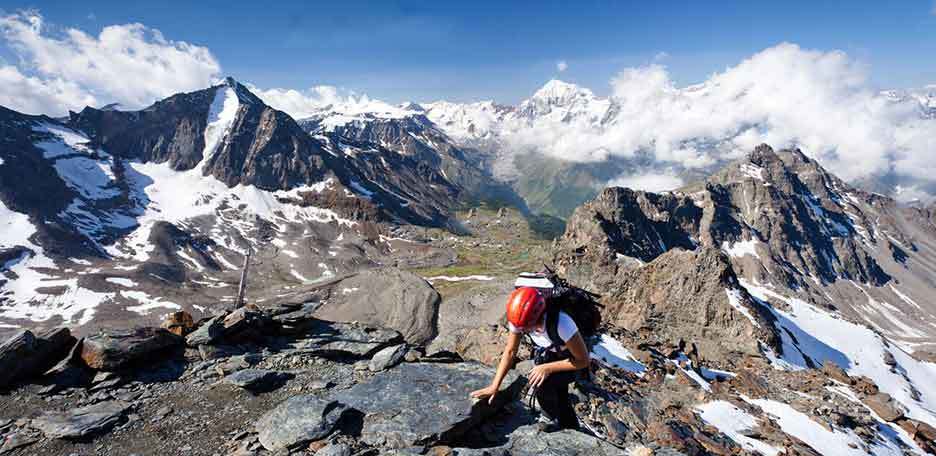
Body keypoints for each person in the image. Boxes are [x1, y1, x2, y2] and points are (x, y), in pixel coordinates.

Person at [470, 286, 590, 432]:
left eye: (526, 328)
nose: (522, 331)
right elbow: (510, 352)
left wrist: (547, 368)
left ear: (539, 317)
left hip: (572, 359)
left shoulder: (562, 323)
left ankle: (549, 419)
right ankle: (572, 427)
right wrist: (494, 386)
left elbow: (583, 360)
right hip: (551, 352)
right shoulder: (519, 319)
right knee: (560, 395)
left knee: (542, 379)